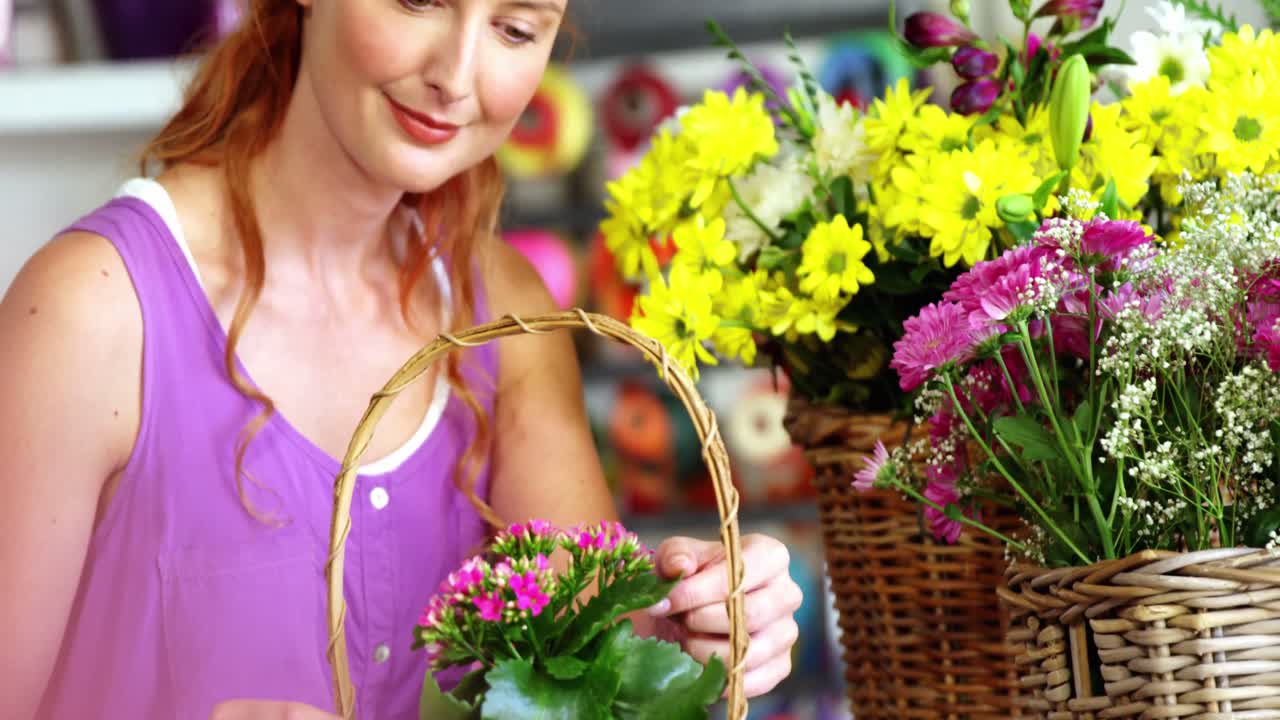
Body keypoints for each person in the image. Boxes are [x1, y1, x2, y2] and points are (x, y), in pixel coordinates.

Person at [0, 1, 805, 718]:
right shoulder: (95, 311)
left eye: (516, 29)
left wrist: (682, 629)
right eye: (419, 2)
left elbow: (587, 659)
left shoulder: (506, 314)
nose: (457, 77)